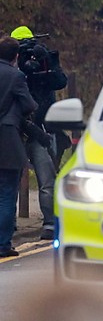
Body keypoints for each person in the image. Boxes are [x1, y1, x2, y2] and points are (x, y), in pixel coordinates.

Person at [10, 25, 67, 240]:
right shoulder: (11, 64)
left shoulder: (44, 59)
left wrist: (49, 63)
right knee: (11, 181)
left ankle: (50, 223)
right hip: (18, 128)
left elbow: (60, 81)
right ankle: (9, 223)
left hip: (42, 127)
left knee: (46, 178)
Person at [0, 36, 38, 258]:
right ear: (16, 56)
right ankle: (3, 244)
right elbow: (29, 105)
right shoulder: (16, 76)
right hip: (7, 140)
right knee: (6, 194)